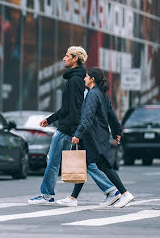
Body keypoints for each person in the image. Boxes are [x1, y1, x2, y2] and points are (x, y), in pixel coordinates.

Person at [28, 46, 120, 206]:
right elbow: (73, 107)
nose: (64, 58)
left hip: (68, 128)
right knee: (85, 162)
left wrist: (71, 130)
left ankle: (47, 195)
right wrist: (51, 120)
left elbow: (73, 108)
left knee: (54, 161)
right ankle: (111, 190)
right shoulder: (79, 79)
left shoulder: (75, 80)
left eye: (66, 55)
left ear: (75, 59)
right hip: (73, 128)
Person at [59, 67, 135, 208]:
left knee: (104, 165)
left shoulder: (93, 94)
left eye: (86, 76)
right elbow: (111, 115)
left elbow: (87, 117)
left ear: (92, 79)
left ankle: (124, 194)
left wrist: (78, 134)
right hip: (97, 136)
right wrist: (117, 131)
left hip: (94, 137)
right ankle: (73, 197)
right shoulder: (102, 94)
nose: (84, 79)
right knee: (84, 164)